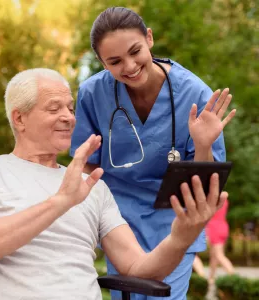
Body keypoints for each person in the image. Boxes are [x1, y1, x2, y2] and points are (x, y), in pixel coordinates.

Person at [0, 68, 228, 300]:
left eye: (70, 108)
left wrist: (181, 238)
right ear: (19, 118)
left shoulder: (92, 184)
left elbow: (139, 267)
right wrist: (60, 202)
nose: (69, 117)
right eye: (54, 108)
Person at [70, 7, 236, 300]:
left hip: (175, 216)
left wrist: (203, 144)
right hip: (117, 217)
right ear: (101, 62)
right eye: (115, 61)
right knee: (128, 294)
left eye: (135, 51)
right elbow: (86, 165)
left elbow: (206, 183)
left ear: (149, 38)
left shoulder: (195, 93)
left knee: (164, 295)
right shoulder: (92, 93)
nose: (130, 66)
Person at [206, 198, 235, 284]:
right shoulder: (224, 199)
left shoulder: (212, 199)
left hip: (214, 227)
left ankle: (234, 276)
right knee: (214, 255)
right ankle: (211, 278)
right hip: (223, 226)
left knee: (219, 255)